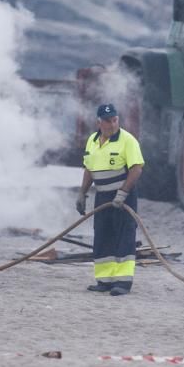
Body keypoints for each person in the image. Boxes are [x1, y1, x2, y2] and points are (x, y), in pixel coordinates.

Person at [75, 103, 144, 296]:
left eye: (114, 120)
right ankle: (104, 280)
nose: (112, 124)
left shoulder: (128, 141)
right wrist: (82, 193)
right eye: (107, 121)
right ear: (99, 122)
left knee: (124, 236)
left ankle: (122, 283)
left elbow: (136, 168)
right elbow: (89, 168)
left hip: (124, 197)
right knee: (103, 235)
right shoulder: (92, 141)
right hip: (103, 197)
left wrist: (122, 193)